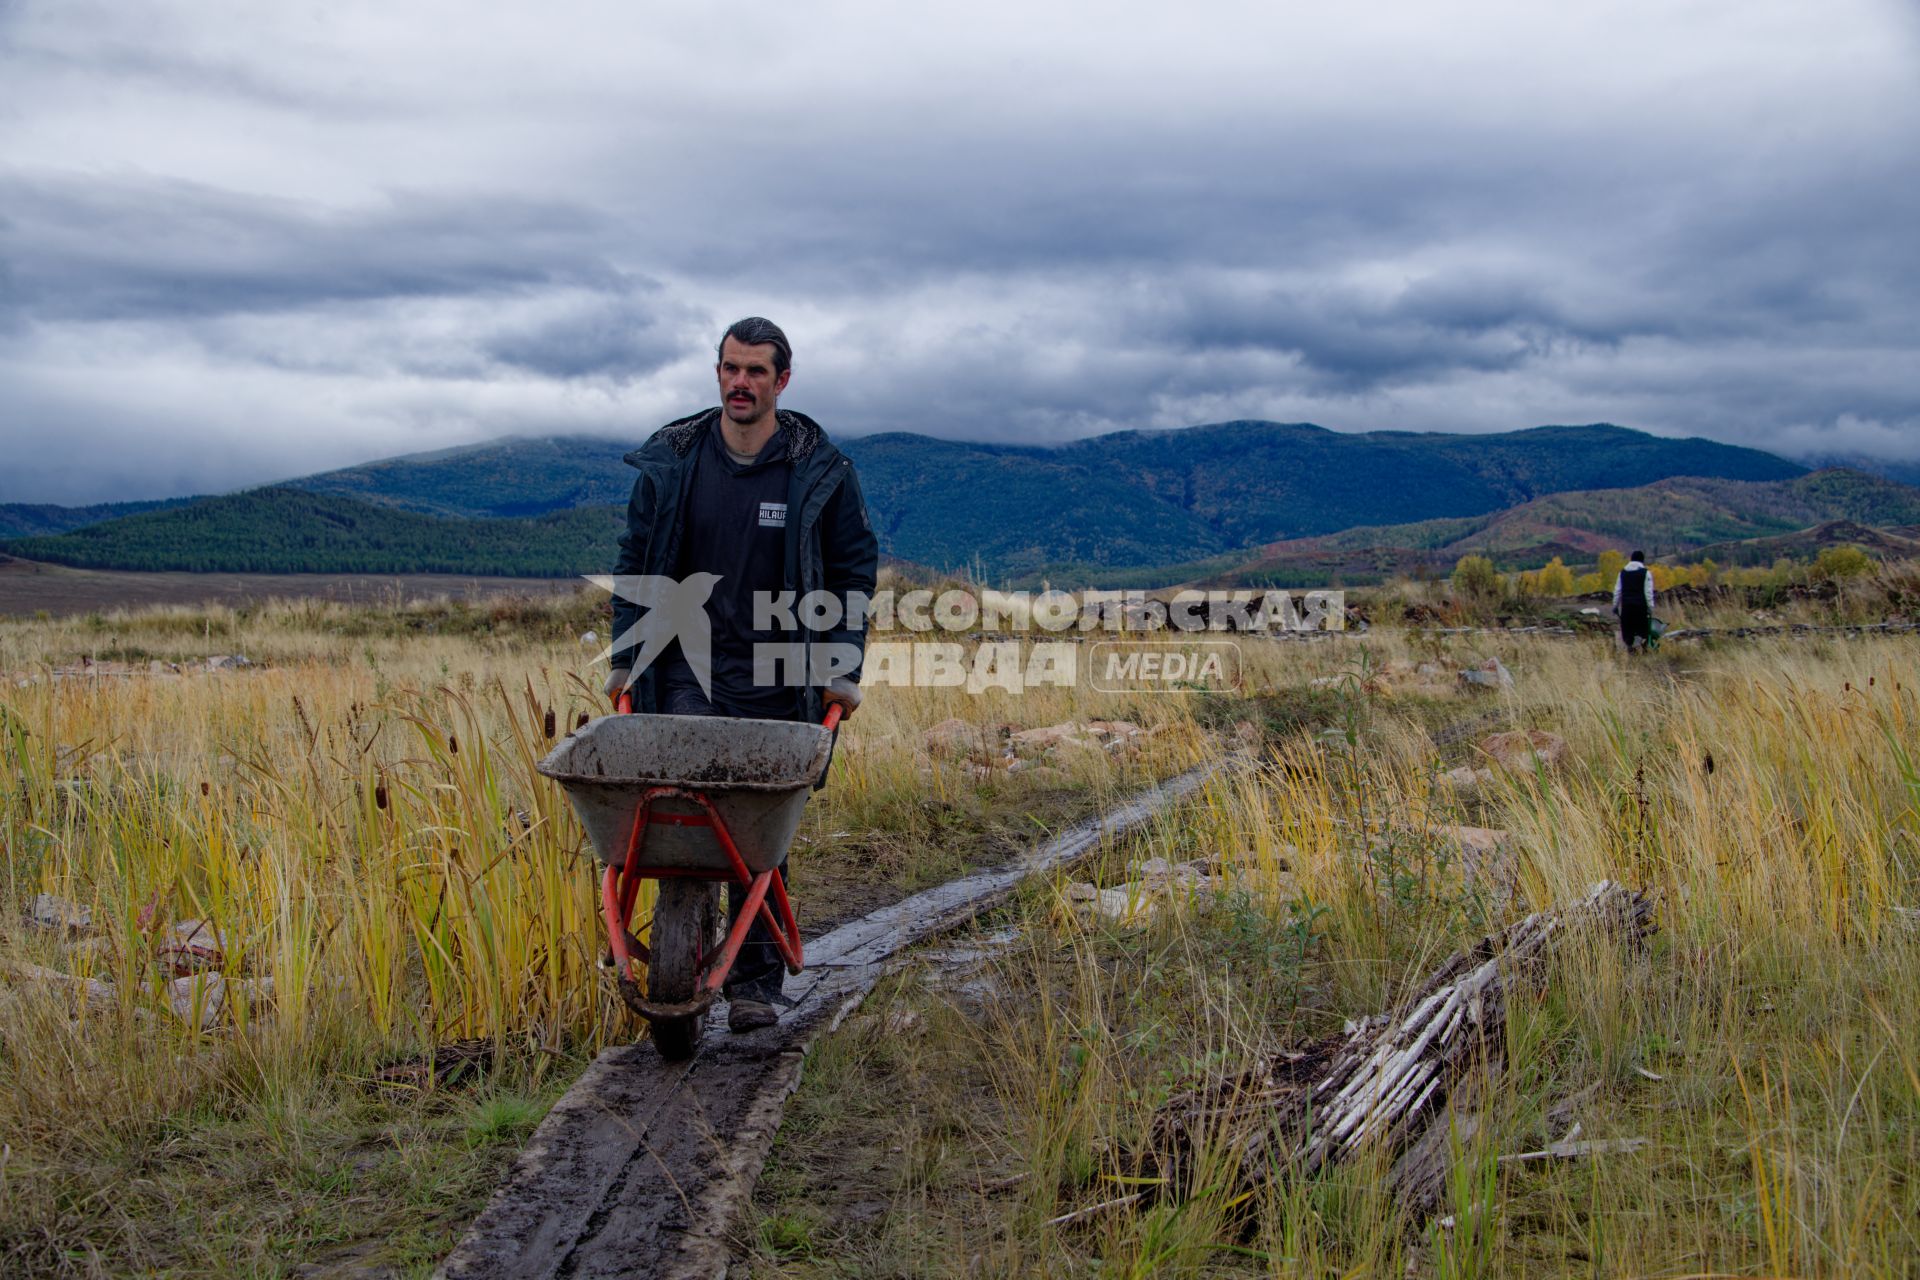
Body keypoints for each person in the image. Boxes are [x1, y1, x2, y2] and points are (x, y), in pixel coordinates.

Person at [604, 317, 879, 1030]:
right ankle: (684, 945)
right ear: (717, 372)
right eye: (730, 368)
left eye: (756, 371)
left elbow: (852, 570)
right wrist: (625, 659)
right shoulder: (678, 461)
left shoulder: (819, 470)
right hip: (689, 666)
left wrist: (841, 667)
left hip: (783, 671)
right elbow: (637, 562)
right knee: (687, 810)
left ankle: (754, 984)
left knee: (758, 828)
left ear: (782, 381)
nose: (740, 383)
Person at [1612, 549, 1655, 652]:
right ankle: (1641, 647)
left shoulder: (1622, 573)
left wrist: (1615, 606)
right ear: (1642, 561)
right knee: (1642, 629)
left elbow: (1617, 591)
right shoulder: (1645, 573)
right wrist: (1650, 607)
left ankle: (1630, 649)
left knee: (1628, 629)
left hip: (1626, 606)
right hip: (1640, 606)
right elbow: (1648, 593)